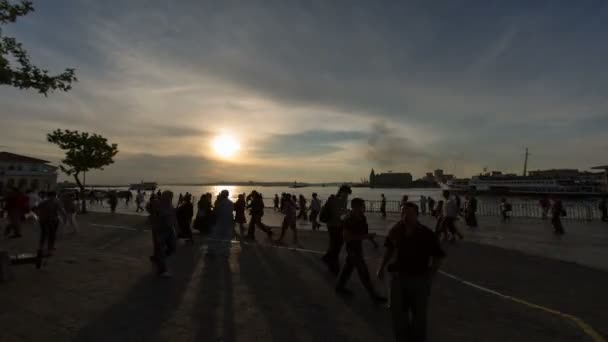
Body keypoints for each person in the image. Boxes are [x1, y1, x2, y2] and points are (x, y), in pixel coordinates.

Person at [378, 202, 445, 342]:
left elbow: (438, 256)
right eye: (403, 213)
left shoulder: (427, 234)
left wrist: (430, 276)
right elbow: (389, 250)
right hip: (398, 278)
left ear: (417, 215)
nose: (406, 216)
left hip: (419, 279)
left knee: (419, 316)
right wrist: (381, 267)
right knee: (398, 314)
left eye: (409, 213)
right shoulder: (396, 230)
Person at [335, 198, 387, 303]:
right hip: (352, 249)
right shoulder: (348, 219)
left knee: (348, 269)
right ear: (355, 207)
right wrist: (366, 236)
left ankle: (339, 287)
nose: (364, 207)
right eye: (362, 205)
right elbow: (346, 238)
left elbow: (364, 233)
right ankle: (373, 295)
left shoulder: (362, 217)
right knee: (363, 272)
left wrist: (373, 242)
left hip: (357, 248)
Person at [321, 185, 351, 275]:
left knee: (337, 245)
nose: (346, 195)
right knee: (336, 246)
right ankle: (334, 266)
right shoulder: (334, 200)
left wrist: (346, 212)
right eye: (345, 193)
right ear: (341, 192)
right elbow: (338, 215)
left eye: (347, 194)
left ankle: (327, 258)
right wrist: (348, 214)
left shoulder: (343, 200)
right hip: (333, 225)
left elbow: (342, 212)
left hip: (339, 225)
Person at [149, 190, 177, 277]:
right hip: (160, 231)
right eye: (169, 196)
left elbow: (173, 217)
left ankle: (158, 258)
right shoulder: (157, 204)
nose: (171, 198)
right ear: (164, 196)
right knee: (160, 249)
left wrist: (177, 229)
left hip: (169, 229)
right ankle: (162, 270)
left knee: (172, 248)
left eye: (171, 196)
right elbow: (152, 211)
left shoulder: (170, 205)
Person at [35, 191, 67, 259]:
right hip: (53, 220)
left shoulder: (42, 202)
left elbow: (36, 210)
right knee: (52, 235)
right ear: (55, 196)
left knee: (43, 234)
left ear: (47, 195)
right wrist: (65, 219)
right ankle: (49, 250)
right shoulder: (56, 202)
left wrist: (40, 217)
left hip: (43, 220)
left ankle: (40, 248)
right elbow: (62, 211)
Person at [207, 190, 234, 257]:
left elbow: (216, 212)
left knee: (214, 237)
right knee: (226, 238)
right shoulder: (231, 203)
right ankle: (225, 253)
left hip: (220, 222)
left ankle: (212, 251)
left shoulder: (220, 203)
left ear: (222, 195)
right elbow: (231, 214)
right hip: (227, 223)